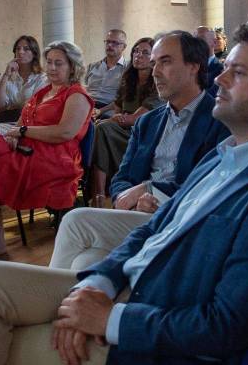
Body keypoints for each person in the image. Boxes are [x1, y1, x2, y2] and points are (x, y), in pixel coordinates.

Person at [0, 22, 248, 365]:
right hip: (133, 286)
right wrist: (96, 285)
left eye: (238, 72)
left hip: (156, 332)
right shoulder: (226, 154)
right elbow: (150, 231)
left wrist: (109, 320)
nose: (219, 79)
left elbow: (225, 329)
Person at [50, 30, 232, 271]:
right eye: (155, 63)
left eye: (165, 62)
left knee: (76, 220)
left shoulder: (220, 121)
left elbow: (208, 187)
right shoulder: (148, 122)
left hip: (182, 220)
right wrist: (128, 200)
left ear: (193, 67)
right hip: (138, 214)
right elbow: (122, 178)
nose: (155, 72)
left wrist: (151, 191)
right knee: (85, 262)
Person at [0, 41, 93, 258]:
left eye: (58, 63)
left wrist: (22, 132)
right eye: (49, 62)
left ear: (72, 67)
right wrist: (12, 134)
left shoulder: (76, 95)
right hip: (26, 149)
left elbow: (64, 133)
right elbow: (20, 124)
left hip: (54, 157)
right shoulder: (43, 93)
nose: (51, 68)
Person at [88, 37, 161, 200]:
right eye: (136, 51)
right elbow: (118, 110)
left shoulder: (157, 82)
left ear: (154, 57)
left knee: (102, 128)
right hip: (122, 130)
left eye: (145, 52)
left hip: (143, 134)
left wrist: (111, 120)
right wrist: (114, 119)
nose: (138, 55)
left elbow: (134, 119)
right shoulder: (129, 79)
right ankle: (98, 193)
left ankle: (99, 193)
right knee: (98, 131)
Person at [0, 35, 47, 124]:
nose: (20, 52)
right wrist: (6, 75)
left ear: (34, 53)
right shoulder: (5, 76)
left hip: (29, 124)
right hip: (5, 122)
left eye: (26, 49)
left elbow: (33, 108)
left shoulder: (42, 78)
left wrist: (11, 110)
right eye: (18, 49)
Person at [84, 29, 128, 110]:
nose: (110, 45)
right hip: (87, 106)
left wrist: (100, 111)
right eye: (108, 42)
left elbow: (124, 98)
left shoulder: (127, 69)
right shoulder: (92, 66)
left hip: (109, 109)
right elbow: (83, 89)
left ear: (124, 47)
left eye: (115, 43)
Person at [195, 26, 223, 96]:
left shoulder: (221, 69)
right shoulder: (188, 67)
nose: (196, 43)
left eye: (201, 39)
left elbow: (213, 95)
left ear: (214, 42)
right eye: (195, 40)